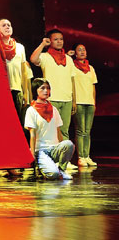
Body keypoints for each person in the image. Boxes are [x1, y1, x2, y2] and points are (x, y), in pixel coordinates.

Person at [29, 29, 77, 171]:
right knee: (51, 131)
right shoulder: (45, 56)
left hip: (66, 98)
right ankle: (50, 158)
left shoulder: (68, 59)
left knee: (65, 130)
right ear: (50, 41)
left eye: (61, 39)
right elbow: (33, 59)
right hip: (52, 99)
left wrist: (74, 99)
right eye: (55, 39)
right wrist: (42, 45)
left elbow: (72, 80)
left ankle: (64, 161)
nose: (59, 41)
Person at [0, 19, 33, 177]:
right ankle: (1, 164)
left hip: (16, 90)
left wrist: (25, 93)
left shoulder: (20, 47)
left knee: (15, 129)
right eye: (3, 25)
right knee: (1, 129)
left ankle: (13, 162)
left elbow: (24, 71)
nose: (8, 27)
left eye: (9, 24)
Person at [24, 78, 75, 180]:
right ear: (35, 90)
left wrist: (62, 149)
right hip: (41, 150)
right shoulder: (31, 110)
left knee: (69, 144)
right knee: (53, 174)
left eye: (48, 88)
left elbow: (58, 132)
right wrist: (32, 154)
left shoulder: (54, 109)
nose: (46, 91)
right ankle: (41, 167)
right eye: (42, 88)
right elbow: (32, 135)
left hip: (54, 148)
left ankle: (62, 170)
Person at [68, 43, 98, 168]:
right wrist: (73, 101)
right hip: (79, 101)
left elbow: (93, 86)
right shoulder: (72, 66)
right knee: (80, 130)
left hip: (89, 102)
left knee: (87, 131)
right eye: (79, 50)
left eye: (84, 50)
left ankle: (87, 156)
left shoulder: (91, 68)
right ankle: (81, 157)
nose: (82, 52)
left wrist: (94, 102)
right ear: (75, 53)